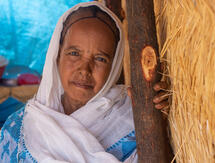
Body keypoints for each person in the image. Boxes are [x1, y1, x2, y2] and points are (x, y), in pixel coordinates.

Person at [0, 1, 169, 163]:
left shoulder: (135, 113)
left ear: (114, 65)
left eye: (100, 58)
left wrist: (157, 121)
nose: (84, 69)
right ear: (57, 56)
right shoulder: (20, 129)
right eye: (74, 53)